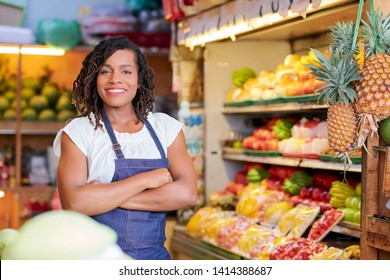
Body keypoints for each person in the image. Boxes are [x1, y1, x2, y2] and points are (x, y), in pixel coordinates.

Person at [53, 35, 198, 260]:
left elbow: (187, 194)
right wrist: (146, 181)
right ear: (94, 78)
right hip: (97, 264)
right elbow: (75, 203)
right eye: (105, 71)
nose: (115, 79)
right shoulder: (79, 132)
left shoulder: (166, 128)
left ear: (139, 79)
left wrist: (103, 196)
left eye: (126, 71)